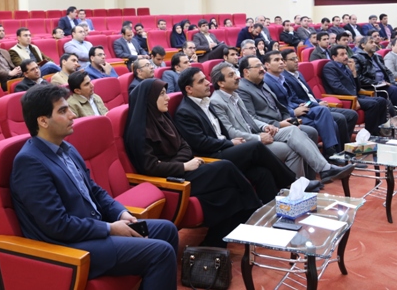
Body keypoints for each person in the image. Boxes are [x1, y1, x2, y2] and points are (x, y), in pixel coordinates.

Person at [12, 84, 178, 287]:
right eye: (63, 111)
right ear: (43, 121)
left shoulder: (66, 147)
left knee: (167, 230)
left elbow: (93, 190)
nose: (73, 115)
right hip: (71, 245)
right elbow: (57, 225)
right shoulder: (30, 162)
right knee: (161, 252)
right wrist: (109, 229)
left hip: (92, 229)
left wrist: (120, 213)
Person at [124, 78, 262, 247]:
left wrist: (178, 162)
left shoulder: (163, 119)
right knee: (225, 166)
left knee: (229, 193)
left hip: (184, 170)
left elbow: (185, 146)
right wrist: (182, 165)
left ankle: (213, 244)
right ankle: (256, 209)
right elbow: (150, 167)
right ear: (149, 99)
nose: (167, 98)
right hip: (171, 182)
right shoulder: (138, 131)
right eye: (161, 94)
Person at [174, 67, 303, 202]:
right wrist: (230, 142)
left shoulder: (205, 102)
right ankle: (292, 183)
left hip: (225, 147)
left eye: (206, 79)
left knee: (262, 173)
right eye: (201, 81)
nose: (208, 83)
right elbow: (201, 143)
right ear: (189, 89)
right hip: (213, 155)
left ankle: (271, 209)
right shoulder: (185, 112)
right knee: (255, 147)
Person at [211, 61, 354, 183]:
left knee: (293, 130)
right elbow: (231, 132)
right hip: (247, 142)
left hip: (258, 132)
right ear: (221, 83)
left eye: (235, 73)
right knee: (292, 149)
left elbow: (250, 118)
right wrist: (259, 137)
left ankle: (324, 170)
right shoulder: (217, 101)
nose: (237, 77)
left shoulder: (234, 95)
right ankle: (299, 187)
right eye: (231, 75)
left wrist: (266, 126)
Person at [263, 51, 351, 157]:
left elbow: (292, 98)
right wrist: (293, 112)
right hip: (286, 117)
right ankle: (331, 153)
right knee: (332, 123)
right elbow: (275, 106)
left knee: (323, 111)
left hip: (297, 108)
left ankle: (332, 153)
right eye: (277, 60)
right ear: (267, 65)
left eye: (281, 59)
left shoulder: (281, 79)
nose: (281, 62)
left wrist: (301, 105)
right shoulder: (266, 81)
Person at [280, 48, 358, 150]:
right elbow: (296, 100)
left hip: (316, 104)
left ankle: (344, 146)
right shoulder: (284, 78)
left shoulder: (298, 74)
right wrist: (316, 104)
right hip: (309, 108)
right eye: (292, 59)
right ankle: (338, 150)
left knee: (352, 115)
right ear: (284, 62)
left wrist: (319, 101)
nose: (296, 61)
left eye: (296, 58)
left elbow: (309, 95)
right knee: (339, 118)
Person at [322, 45, 387, 136]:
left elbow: (358, 88)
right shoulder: (329, 67)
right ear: (334, 57)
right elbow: (337, 87)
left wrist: (354, 72)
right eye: (342, 54)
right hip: (344, 98)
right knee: (373, 104)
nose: (346, 56)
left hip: (354, 95)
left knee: (382, 100)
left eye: (346, 54)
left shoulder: (345, 66)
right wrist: (353, 99)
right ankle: (370, 134)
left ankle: (379, 130)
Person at [353, 36, 397, 113]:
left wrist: (392, 82)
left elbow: (388, 72)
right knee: (394, 90)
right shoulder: (357, 58)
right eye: (371, 42)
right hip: (373, 86)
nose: (374, 44)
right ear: (363, 45)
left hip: (385, 84)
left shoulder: (377, 56)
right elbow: (358, 76)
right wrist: (378, 83)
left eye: (374, 42)